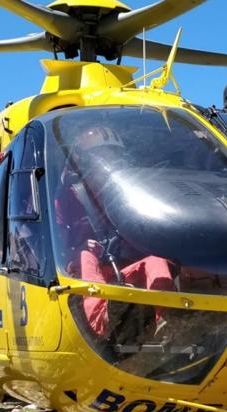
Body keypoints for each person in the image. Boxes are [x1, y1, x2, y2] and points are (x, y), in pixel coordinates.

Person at [55, 125, 175, 338]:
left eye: (112, 155)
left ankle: (165, 318)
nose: (109, 161)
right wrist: (79, 247)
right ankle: (104, 320)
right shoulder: (68, 196)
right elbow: (57, 237)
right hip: (81, 270)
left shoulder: (126, 193)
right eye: (101, 155)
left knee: (156, 261)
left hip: (119, 266)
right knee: (85, 257)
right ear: (84, 161)